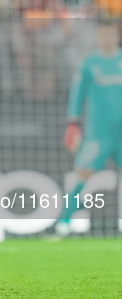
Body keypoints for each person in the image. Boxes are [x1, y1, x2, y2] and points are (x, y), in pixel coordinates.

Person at [56, 18, 122, 236]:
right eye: (102, 34)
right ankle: (64, 223)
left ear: (117, 35)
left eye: (110, 33)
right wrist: (72, 124)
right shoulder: (89, 63)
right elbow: (77, 94)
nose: (107, 38)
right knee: (82, 174)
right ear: (97, 36)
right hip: (98, 133)